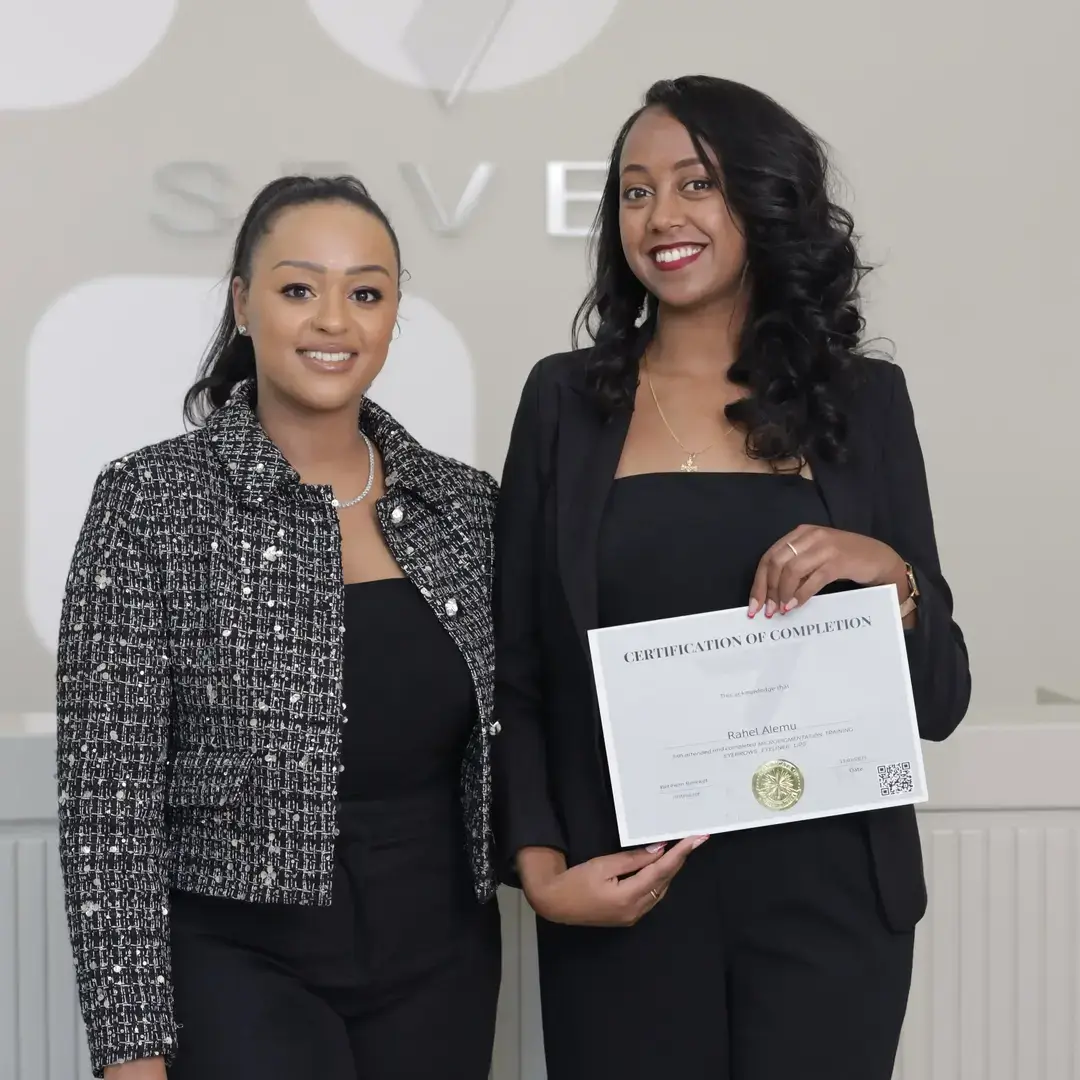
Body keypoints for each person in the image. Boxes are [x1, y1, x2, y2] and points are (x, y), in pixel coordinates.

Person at [493, 76, 971, 1080]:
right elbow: (522, 666)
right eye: (633, 191)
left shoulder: (863, 402)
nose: (660, 216)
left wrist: (894, 581)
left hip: (833, 904)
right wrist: (542, 872)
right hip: (628, 900)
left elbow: (940, 700)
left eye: (695, 184)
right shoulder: (566, 403)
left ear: (764, 198)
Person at [55, 175, 502, 1080]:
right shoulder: (151, 501)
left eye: (366, 293)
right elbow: (108, 799)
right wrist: (130, 1047)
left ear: (393, 314)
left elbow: (536, 709)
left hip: (442, 949)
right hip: (237, 956)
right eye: (300, 288)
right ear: (242, 304)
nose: (333, 320)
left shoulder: (466, 504)